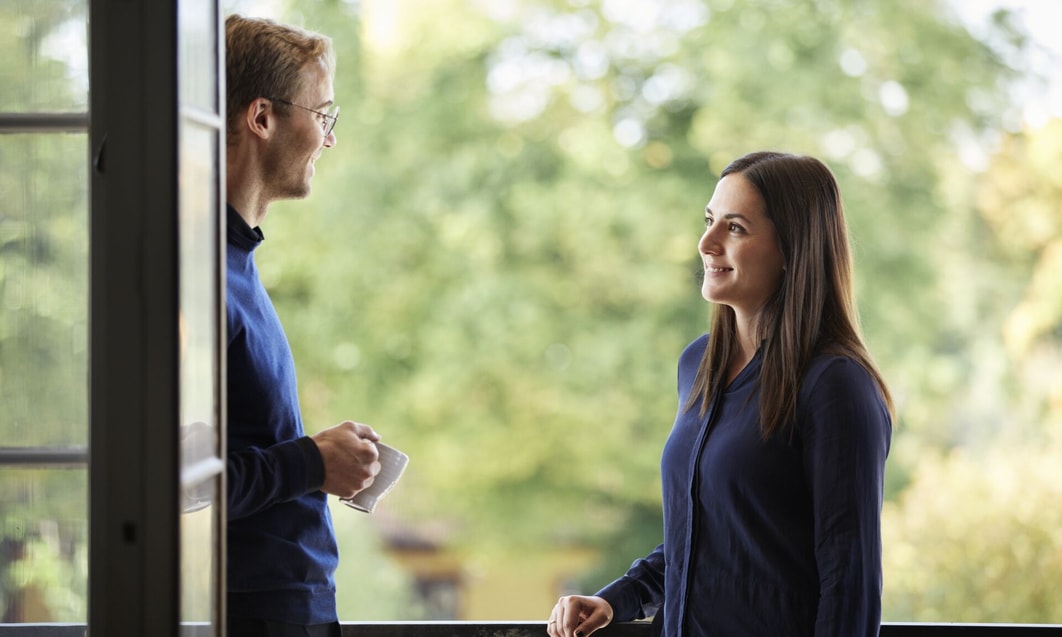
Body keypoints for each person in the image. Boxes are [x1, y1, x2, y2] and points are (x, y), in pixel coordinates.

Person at [547, 151, 893, 637]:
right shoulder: (697, 365)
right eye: (709, 221)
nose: (706, 243)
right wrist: (617, 598)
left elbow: (849, 584)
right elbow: (704, 540)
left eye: (735, 228)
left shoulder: (836, 384)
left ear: (792, 250)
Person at [224, 14, 384, 637]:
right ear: (262, 118)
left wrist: (316, 458)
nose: (330, 139)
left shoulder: (234, 263)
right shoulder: (198, 278)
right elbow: (174, 485)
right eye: (322, 114)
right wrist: (313, 463)